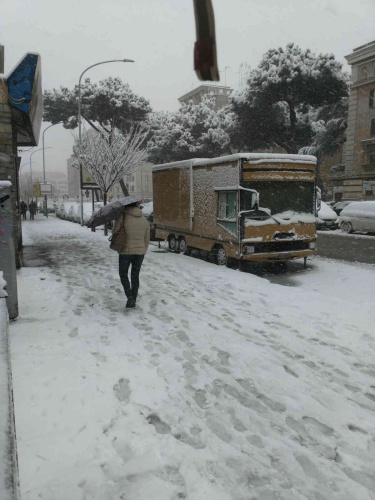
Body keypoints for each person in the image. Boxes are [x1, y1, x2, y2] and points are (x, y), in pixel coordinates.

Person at [113, 201, 150, 309]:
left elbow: (115, 233)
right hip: (140, 253)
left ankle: (129, 297)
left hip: (125, 251)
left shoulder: (123, 218)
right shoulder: (144, 220)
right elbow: (146, 239)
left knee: (123, 274)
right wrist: (143, 250)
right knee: (135, 275)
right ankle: (133, 298)